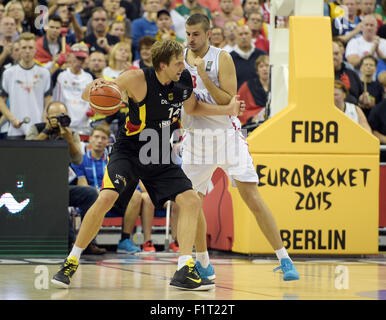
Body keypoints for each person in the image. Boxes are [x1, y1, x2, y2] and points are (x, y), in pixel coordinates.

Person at [51, 38, 243, 291]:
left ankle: (185, 268)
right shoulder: (136, 79)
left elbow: (193, 108)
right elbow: (92, 94)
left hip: (159, 153)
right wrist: (93, 87)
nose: (182, 67)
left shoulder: (183, 80)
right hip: (128, 152)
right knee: (106, 197)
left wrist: (227, 109)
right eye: (177, 63)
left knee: (191, 200)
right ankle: (71, 260)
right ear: (162, 66)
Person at [182, 13, 299, 282]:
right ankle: (203, 262)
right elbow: (190, 103)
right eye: (187, 34)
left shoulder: (221, 57)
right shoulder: (181, 57)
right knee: (191, 202)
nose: (191, 39)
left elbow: (229, 98)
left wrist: (203, 76)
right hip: (195, 137)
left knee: (252, 197)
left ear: (208, 34)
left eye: (196, 34)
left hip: (226, 135)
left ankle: (284, 259)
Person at [26, 101, 106, 254]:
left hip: (61, 186)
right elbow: (27, 153)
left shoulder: (71, 133)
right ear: (46, 117)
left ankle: (87, 242)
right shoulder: (36, 129)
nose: (58, 119)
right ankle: (69, 243)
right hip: (36, 187)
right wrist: (46, 132)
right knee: (57, 195)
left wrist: (68, 139)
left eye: (61, 116)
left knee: (91, 194)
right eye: (54, 116)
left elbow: (78, 160)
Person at [71, 125, 145, 253]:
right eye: (97, 137)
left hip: (114, 196)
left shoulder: (115, 159)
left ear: (108, 142)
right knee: (92, 195)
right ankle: (86, 244)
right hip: (94, 197)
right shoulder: (82, 160)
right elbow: (82, 185)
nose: (100, 141)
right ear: (90, 139)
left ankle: (125, 240)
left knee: (136, 195)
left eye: (103, 138)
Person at [0, 32, 52, 140]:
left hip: (38, 129)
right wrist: (12, 119)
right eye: (24, 47)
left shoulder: (44, 73)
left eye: (30, 47)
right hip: (15, 130)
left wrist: (44, 120)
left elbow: (48, 100)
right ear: (19, 49)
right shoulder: (9, 73)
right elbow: (1, 100)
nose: (27, 51)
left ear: (35, 49)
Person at [52, 42, 94, 134]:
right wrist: (55, 64)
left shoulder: (89, 77)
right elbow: (46, 82)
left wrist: (92, 109)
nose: (80, 61)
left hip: (83, 126)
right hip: (64, 126)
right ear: (70, 57)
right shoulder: (60, 75)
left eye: (83, 58)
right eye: (77, 58)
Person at [230, 24, 266, 89]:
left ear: (251, 35)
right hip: (239, 97)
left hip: (260, 96)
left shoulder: (262, 54)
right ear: (235, 38)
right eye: (240, 34)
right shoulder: (230, 58)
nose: (244, 37)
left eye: (246, 33)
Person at [237, 53, 269, 125]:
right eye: (261, 66)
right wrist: (251, 117)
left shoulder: (278, 86)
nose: (264, 69)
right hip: (254, 124)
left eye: (267, 66)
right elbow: (238, 107)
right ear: (257, 70)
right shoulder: (247, 86)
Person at [333, 40, 363, 105]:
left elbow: (361, 95)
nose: (334, 57)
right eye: (330, 54)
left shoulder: (352, 74)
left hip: (352, 111)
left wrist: (364, 99)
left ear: (342, 55)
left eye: (336, 53)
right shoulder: (320, 76)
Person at [357, 55, 384, 119]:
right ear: (360, 68)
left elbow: (381, 106)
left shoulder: (379, 87)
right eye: (366, 64)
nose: (368, 67)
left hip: (373, 119)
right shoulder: (356, 84)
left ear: (375, 69)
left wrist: (374, 105)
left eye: (371, 65)